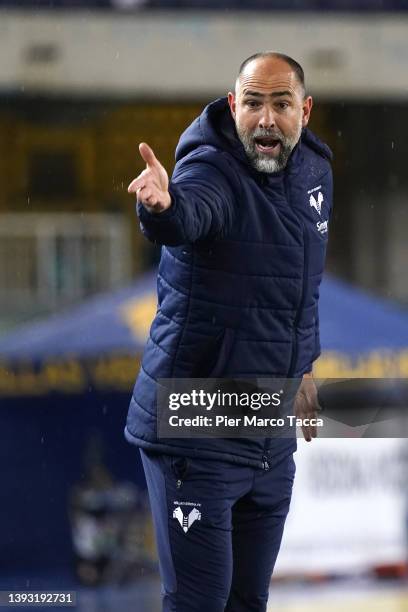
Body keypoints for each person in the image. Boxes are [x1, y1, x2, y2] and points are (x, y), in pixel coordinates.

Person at [125, 51, 333, 612]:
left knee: (247, 602)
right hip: (193, 422)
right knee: (200, 602)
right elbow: (189, 212)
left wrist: (305, 367)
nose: (266, 119)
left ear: (305, 111)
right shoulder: (210, 169)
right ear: (234, 104)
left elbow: (301, 289)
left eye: (282, 104)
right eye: (254, 103)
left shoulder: (315, 173)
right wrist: (162, 207)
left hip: (266, 425)